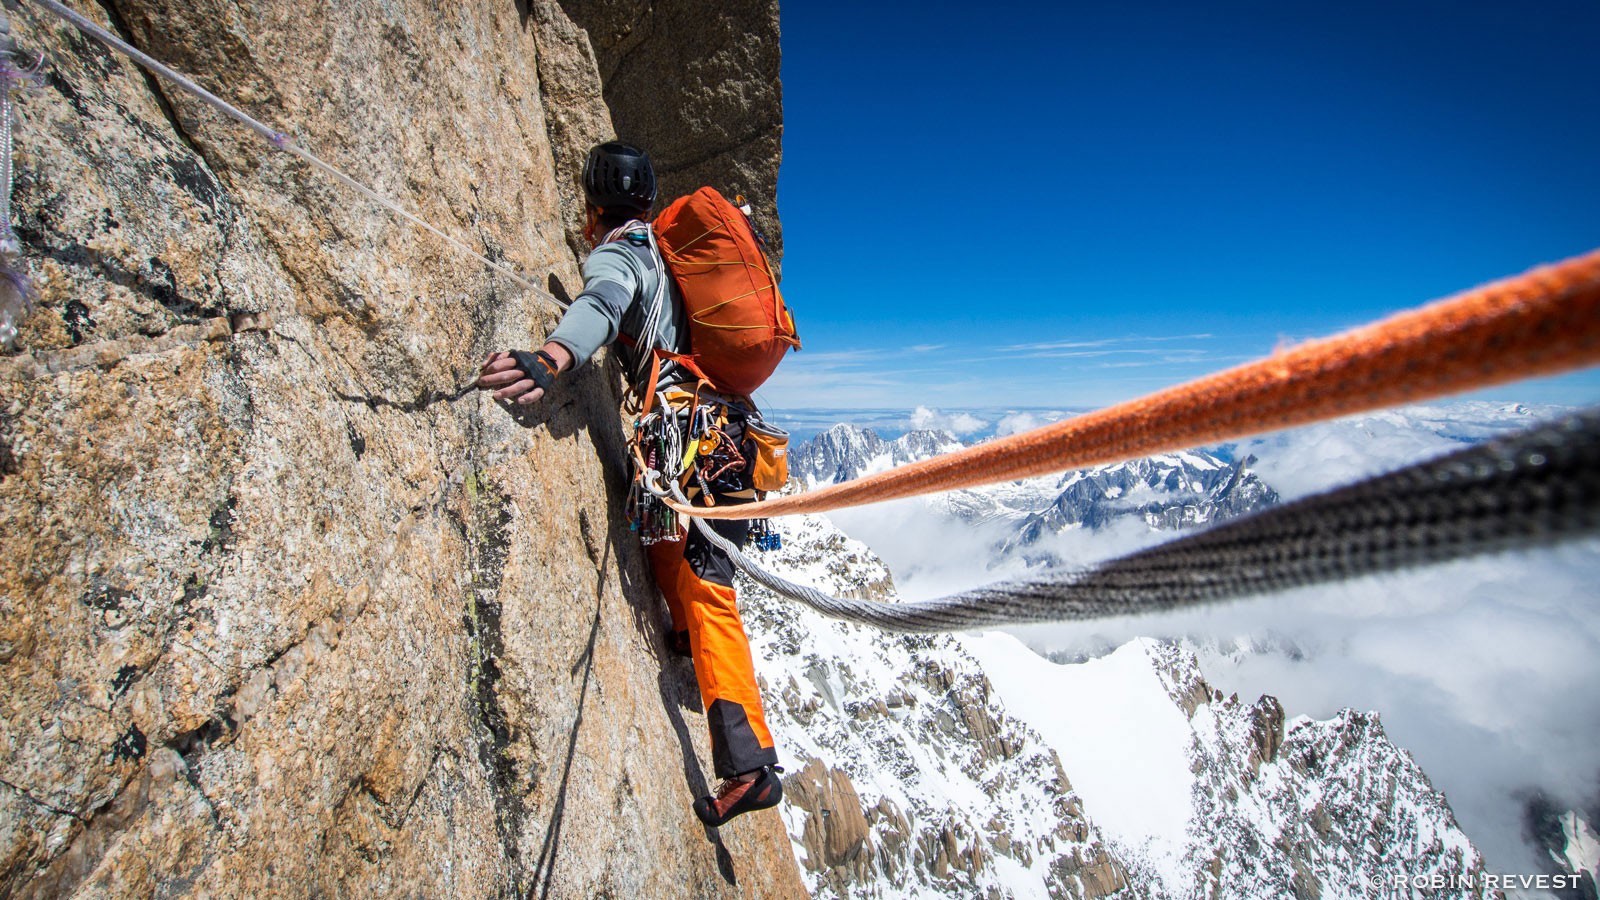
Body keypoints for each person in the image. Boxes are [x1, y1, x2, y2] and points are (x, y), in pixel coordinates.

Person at [476, 141, 783, 828]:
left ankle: (750, 766)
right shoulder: (668, 259)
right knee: (675, 551)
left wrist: (554, 355)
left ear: (593, 210)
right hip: (724, 440)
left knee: (706, 587)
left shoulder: (623, 251)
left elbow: (604, 302)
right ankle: (687, 640)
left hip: (694, 444)